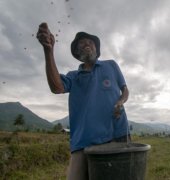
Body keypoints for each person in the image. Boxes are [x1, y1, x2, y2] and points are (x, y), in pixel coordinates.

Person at [36, 22, 130, 180]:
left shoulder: (111, 65)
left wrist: (121, 101)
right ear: (77, 52)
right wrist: (48, 50)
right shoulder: (73, 76)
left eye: (91, 42)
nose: (87, 43)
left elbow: (125, 90)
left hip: (116, 135)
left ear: (96, 49)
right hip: (83, 141)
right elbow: (56, 87)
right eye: (82, 43)